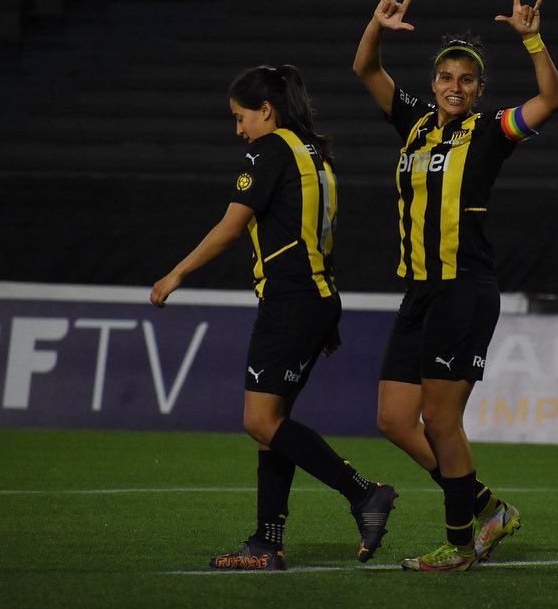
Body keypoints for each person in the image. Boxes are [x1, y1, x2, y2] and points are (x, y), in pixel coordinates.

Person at [352, 0, 558, 572]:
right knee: (395, 421)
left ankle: (459, 542)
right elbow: (364, 67)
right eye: (447, 76)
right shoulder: (415, 123)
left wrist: (533, 40)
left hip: (464, 288)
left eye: (466, 80)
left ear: (478, 90)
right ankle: (485, 507)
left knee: (440, 420)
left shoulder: (491, 131)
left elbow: (552, 99)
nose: (455, 86)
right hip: (421, 289)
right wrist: (377, 24)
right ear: (434, 84)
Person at [150, 64, 397, 571]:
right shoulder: (316, 154)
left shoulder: (268, 151)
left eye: (241, 117)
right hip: (317, 296)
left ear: (266, 110)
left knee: (258, 420)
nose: (238, 129)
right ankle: (267, 541)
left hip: (291, 300)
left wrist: (175, 274)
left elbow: (231, 227)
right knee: (272, 425)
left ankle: (363, 493)